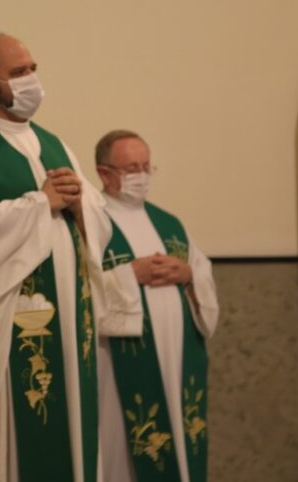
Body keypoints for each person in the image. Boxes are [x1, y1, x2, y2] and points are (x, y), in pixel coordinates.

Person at [0, 33, 112, 481]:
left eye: (33, 68)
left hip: (70, 326)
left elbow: (99, 219)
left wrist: (79, 204)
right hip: (11, 327)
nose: (32, 80)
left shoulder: (54, 143)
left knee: (71, 427)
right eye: (19, 72)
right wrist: (42, 203)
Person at [93, 130, 219, 482]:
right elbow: (78, 290)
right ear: (104, 174)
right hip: (117, 364)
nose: (142, 175)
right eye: (131, 168)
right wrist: (128, 273)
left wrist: (188, 274)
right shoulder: (92, 222)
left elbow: (202, 274)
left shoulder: (170, 223)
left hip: (178, 360)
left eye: (147, 166)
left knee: (178, 442)